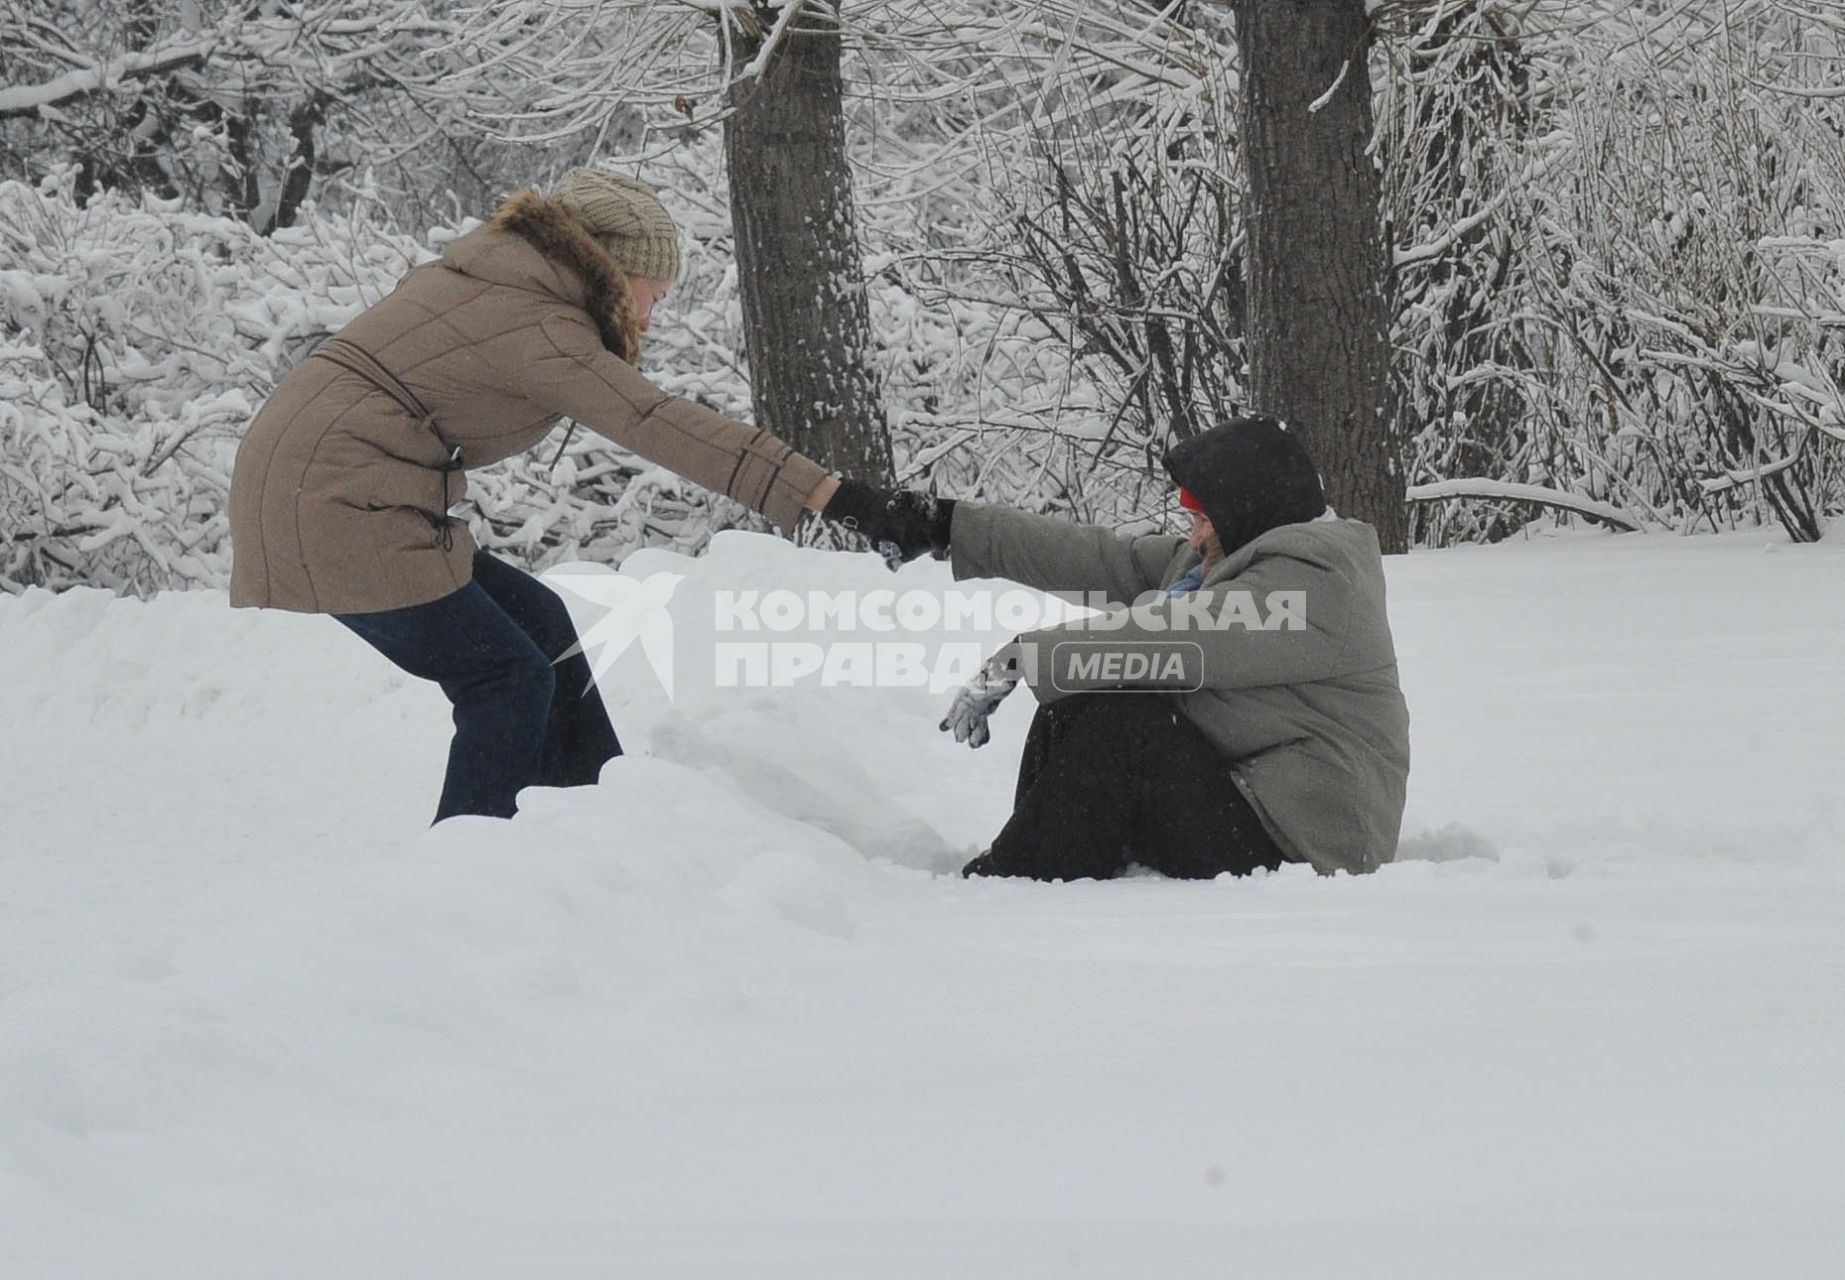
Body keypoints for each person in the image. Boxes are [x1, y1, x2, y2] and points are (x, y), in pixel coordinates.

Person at [230, 166, 891, 823]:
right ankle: (465, 875)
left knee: (542, 628)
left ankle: (591, 825)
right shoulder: (540, 323)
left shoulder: (490, 276)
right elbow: (653, 421)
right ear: (608, 269)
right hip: (335, 498)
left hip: (312, 481)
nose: (650, 313)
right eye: (649, 294)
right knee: (506, 678)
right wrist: (832, 495)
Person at [841, 414, 1411, 881]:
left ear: (1248, 516)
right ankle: (1035, 864)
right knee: (1078, 702)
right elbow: (1093, 558)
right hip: (1243, 799)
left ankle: (1014, 882)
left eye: (1204, 520)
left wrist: (1024, 656)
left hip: (1306, 843)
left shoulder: (1315, 586)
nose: (1193, 536)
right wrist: (948, 526)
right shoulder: (1221, 559)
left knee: (1125, 718)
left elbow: (1176, 637)